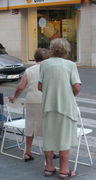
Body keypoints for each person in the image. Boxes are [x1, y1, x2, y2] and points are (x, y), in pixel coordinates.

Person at [38, 38, 81, 178]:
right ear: (66, 50)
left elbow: (40, 86)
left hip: (48, 106)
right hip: (66, 107)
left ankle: (49, 167)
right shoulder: (70, 65)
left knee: (49, 137)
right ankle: (64, 170)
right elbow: (76, 87)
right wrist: (69, 93)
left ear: (52, 49)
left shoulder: (44, 64)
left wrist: (51, 91)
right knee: (64, 138)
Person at [8, 48, 51, 162]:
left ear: (35, 58)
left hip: (32, 100)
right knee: (48, 126)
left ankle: (27, 152)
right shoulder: (49, 69)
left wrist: (14, 97)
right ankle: (50, 152)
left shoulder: (29, 70)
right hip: (46, 99)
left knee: (30, 126)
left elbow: (21, 87)